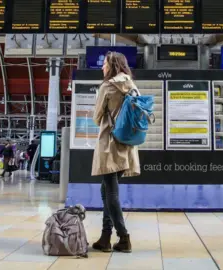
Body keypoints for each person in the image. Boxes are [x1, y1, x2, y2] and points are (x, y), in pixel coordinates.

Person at [90, 51, 140, 253]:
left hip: (110, 143)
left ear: (112, 66)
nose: (102, 67)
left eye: (105, 64)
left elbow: (96, 116)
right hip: (127, 144)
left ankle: (124, 237)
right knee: (107, 189)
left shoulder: (108, 86)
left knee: (110, 191)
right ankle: (105, 237)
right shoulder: (132, 86)